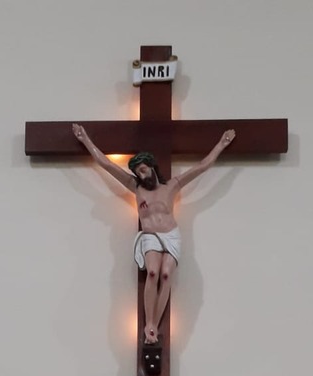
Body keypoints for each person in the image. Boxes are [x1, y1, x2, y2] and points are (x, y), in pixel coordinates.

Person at [71, 123, 236, 345]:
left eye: (143, 169)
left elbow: (202, 167)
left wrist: (221, 144)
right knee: (152, 272)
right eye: (138, 172)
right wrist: (85, 139)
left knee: (166, 275)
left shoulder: (172, 186)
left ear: (151, 167)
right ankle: (148, 322)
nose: (141, 175)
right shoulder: (135, 187)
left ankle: (154, 327)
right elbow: (106, 164)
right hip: (150, 237)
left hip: (171, 235)